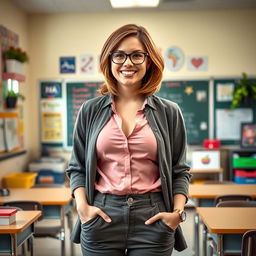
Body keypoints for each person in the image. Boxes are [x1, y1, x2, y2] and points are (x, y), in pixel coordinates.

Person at [66, 24, 191, 256]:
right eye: (119, 55)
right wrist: (82, 207)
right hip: (102, 215)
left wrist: (176, 213)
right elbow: (77, 167)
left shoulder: (170, 112)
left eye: (136, 55)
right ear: (109, 59)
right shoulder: (89, 110)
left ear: (149, 60)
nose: (127, 63)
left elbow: (180, 170)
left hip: (153, 217)